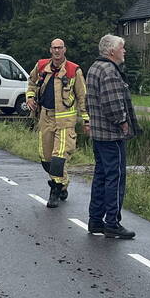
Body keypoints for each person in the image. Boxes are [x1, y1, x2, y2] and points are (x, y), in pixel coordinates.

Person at [85, 34, 139, 239]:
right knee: (115, 178)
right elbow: (112, 104)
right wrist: (123, 122)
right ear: (111, 51)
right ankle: (112, 222)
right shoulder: (109, 71)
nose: (124, 51)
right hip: (111, 134)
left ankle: (95, 219)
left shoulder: (94, 68)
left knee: (100, 175)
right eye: (121, 47)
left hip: (98, 132)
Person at [26, 38, 90, 208]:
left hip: (65, 120)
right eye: (54, 48)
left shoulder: (73, 70)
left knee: (58, 159)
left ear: (64, 50)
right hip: (45, 117)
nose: (57, 51)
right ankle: (63, 182)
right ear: (50, 50)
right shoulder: (41, 67)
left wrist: (86, 119)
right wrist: (30, 97)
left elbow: (82, 97)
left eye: (60, 48)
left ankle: (54, 191)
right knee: (46, 159)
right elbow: (31, 83)